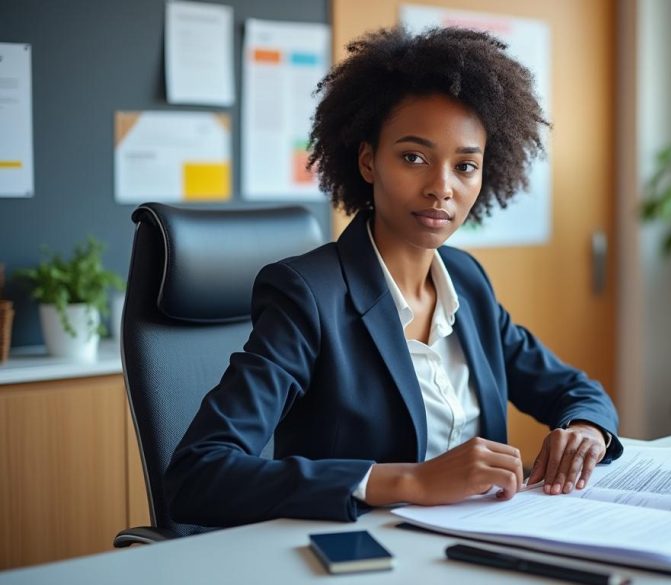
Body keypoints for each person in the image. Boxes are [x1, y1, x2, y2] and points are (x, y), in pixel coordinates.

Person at [165, 26, 622, 527]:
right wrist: (410, 481)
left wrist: (585, 429)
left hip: (479, 546)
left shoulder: (466, 282)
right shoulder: (309, 296)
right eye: (413, 158)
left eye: (465, 166)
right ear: (368, 161)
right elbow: (198, 474)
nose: (441, 188)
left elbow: (575, 390)